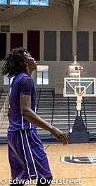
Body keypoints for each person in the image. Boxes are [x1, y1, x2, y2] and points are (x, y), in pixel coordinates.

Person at [1, 48, 68, 186]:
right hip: (23, 132)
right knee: (44, 177)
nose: (33, 58)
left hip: (14, 133)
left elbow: (10, 112)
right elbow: (25, 111)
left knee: (19, 179)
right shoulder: (26, 80)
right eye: (30, 55)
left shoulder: (16, 80)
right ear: (25, 61)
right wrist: (52, 129)